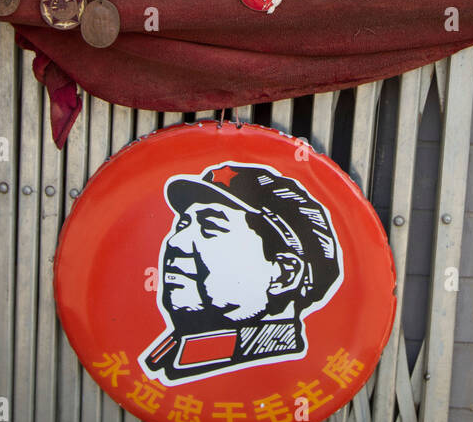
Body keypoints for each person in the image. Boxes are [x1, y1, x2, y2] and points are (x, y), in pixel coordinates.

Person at [139, 162, 342, 382]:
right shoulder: (169, 357)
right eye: (182, 225)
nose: (176, 242)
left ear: (285, 274)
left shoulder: (280, 377)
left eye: (211, 227)